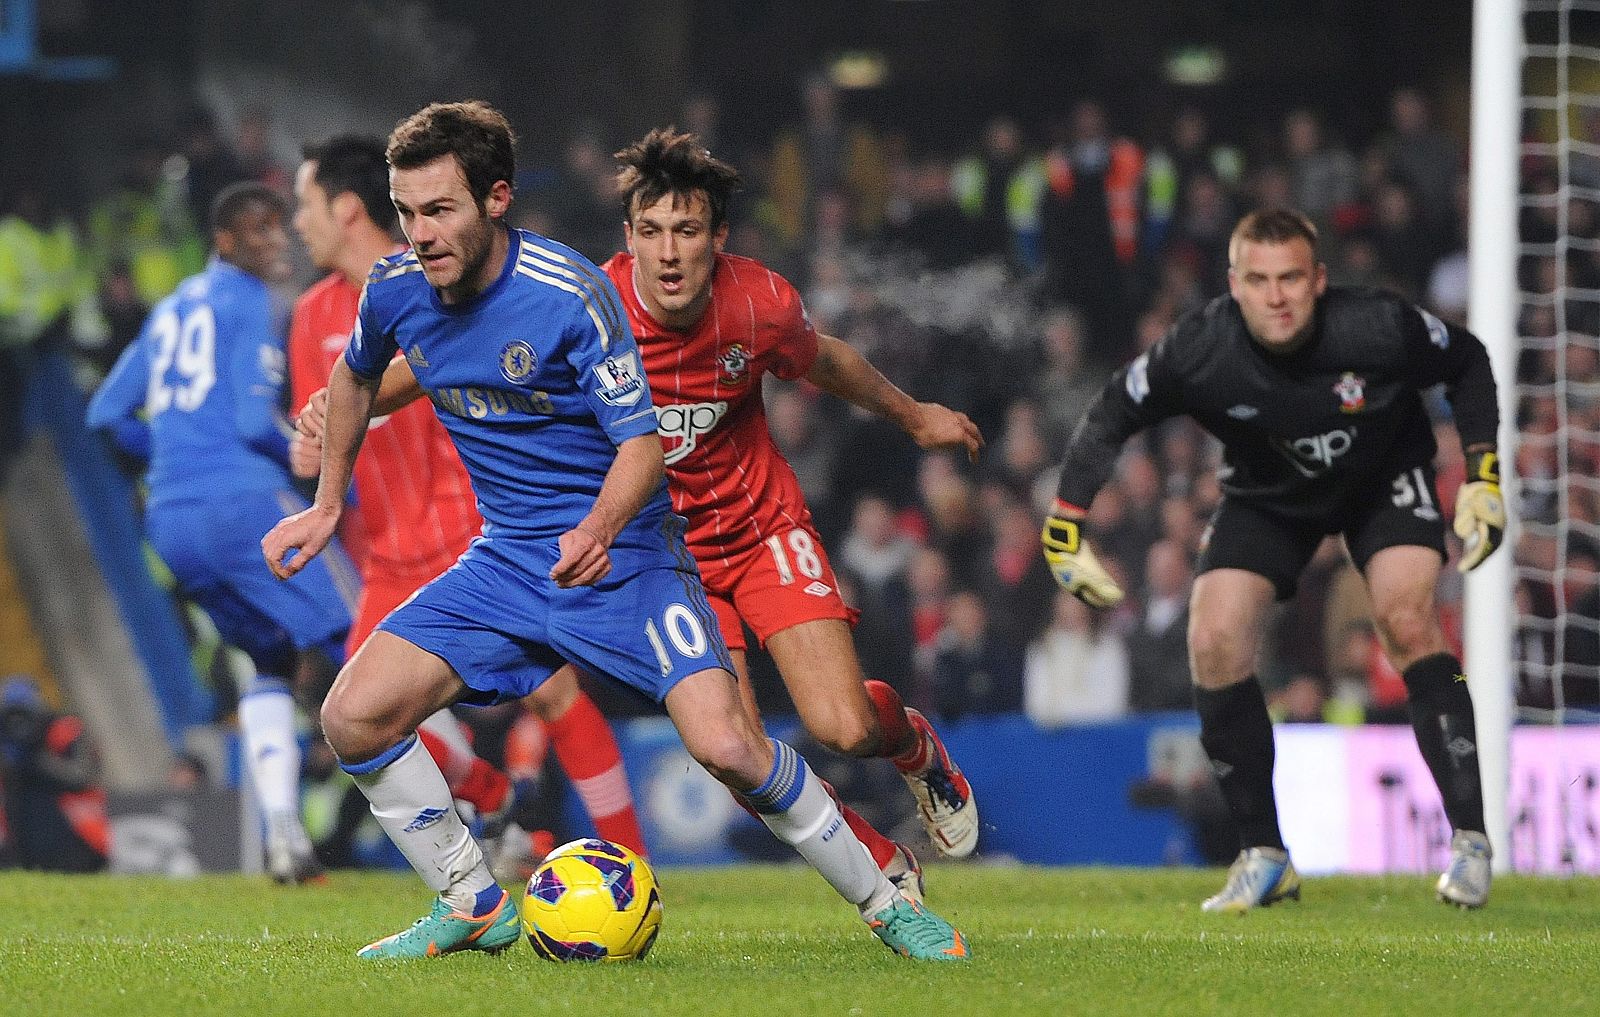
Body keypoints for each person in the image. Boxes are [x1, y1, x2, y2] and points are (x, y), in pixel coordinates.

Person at [262, 101, 967, 962]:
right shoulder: (396, 285)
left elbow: (641, 443)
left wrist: (599, 525)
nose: (420, 233)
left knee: (730, 745)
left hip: (629, 553)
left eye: (439, 210)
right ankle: (473, 900)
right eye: (406, 213)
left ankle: (888, 903)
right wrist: (328, 499)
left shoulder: (572, 295)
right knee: (352, 715)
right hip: (508, 560)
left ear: (495, 199)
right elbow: (359, 372)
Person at [1040, 209, 1504, 911]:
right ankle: (1263, 854)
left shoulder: (1378, 325)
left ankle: (1469, 841)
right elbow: (1113, 410)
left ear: (1319, 280)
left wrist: (1482, 474)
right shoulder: (1200, 346)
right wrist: (1065, 525)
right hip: (1270, 492)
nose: (1277, 295)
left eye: (1291, 277)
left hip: (1382, 477)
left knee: (1406, 617)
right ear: (1235, 285)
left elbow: (1467, 359)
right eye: (1259, 280)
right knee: (1212, 637)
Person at [602, 128, 982, 872]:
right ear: (630, 237)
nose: (670, 253)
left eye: (687, 231)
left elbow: (828, 360)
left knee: (842, 726)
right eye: (653, 232)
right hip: (667, 557)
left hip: (760, 528)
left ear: (719, 236)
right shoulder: (593, 311)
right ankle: (878, 858)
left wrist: (914, 415)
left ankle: (911, 743)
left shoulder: (759, 303)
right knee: (731, 750)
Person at [286, 135, 646, 864]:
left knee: (552, 692)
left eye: (306, 204)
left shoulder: (441, 283)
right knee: (358, 713)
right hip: (385, 551)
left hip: (467, 527)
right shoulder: (310, 317)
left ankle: (633, 860)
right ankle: (497, 798)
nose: (300, 222)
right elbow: (318, 422)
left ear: (347, 208)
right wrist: (310, 446)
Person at [87, 181, 357, 885]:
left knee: (265, 659)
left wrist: (171, 455)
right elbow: (248, 423)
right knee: (366, 636)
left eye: (279, 228)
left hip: (171, 521)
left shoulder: (172, 305)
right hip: (242, 506)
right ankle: (480, 810)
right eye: (260, 230)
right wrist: (315, 456)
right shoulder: (257, 304)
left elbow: (107, 413)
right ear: (226, 239)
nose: (277, 242)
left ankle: (283, 839)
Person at [0, 676, 109, 872]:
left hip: (76, 835)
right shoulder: (5, 737)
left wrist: (37, 759)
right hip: (21, 830)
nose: (18, 724)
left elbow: (84, 777)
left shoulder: (64, 729)